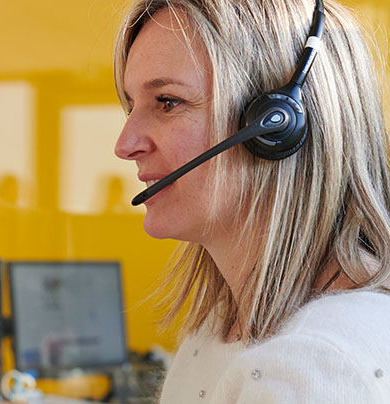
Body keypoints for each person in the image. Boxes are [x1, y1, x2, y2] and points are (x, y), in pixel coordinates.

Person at [113, 0, 390, 402]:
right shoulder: (218, 329)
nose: (125, 145)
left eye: (168, 102)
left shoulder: (319, 365)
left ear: (275, 124)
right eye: (131, 105)